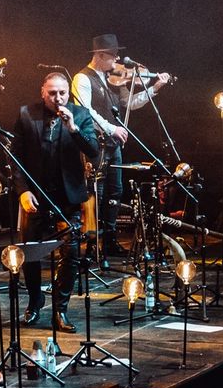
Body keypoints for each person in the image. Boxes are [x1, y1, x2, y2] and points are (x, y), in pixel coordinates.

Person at [11, 71, 100, 332]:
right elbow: (15, 158)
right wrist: (22, 191)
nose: (58, 98)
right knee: (30, 252)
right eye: (52, 93)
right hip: (36, 195)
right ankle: (34, 302)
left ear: (68, 93)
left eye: (62, 93)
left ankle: (60, 309)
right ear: (43, 92)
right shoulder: (27, 114)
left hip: (67, 196)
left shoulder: (81, 115)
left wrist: (73, 128)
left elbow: (93, 151)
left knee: (70, 253)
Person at [72, 34, 169, 258]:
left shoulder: (115, 79)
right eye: (113, 55)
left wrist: (155, 88)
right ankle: (92, 243)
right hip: (94, 143)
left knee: (115, 191)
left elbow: (131, 103)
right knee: (96, 192)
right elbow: (85, 111)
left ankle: (110, 241)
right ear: (99, 55)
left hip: (113, 143)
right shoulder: (82, 78)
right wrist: (111, 128)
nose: (117, 60)